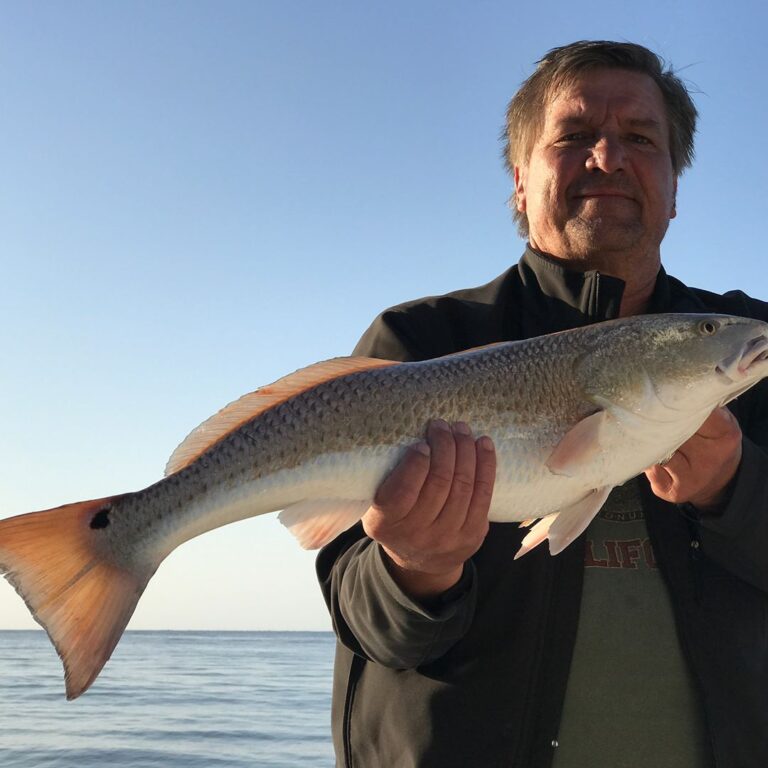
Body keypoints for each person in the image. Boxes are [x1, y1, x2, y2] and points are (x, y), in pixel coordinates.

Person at [316, 41, 768, 768]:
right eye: (575, 136)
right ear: (519, 182)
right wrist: (414, 570)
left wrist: (736, 493)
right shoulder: (419, 341)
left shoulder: (748, 350)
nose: (609, 158)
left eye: (642, 139)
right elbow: (366, 620)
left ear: (676, 187)